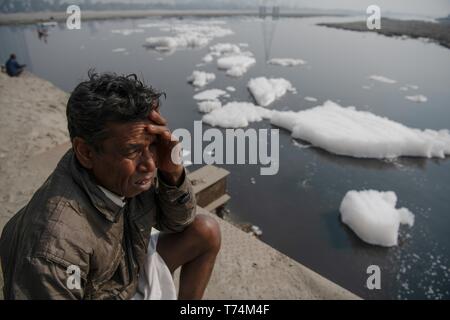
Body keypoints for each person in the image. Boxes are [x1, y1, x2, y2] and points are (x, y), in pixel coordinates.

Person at [0, 71, 221, 300]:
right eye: (133, 150)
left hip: (123, 273)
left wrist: (173, 173)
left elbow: (177, 222)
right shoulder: (55, 251)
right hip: (101, 291)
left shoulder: (116, 167)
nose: (149, 163)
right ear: (85, 152)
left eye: (153, 144)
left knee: (206, 231)